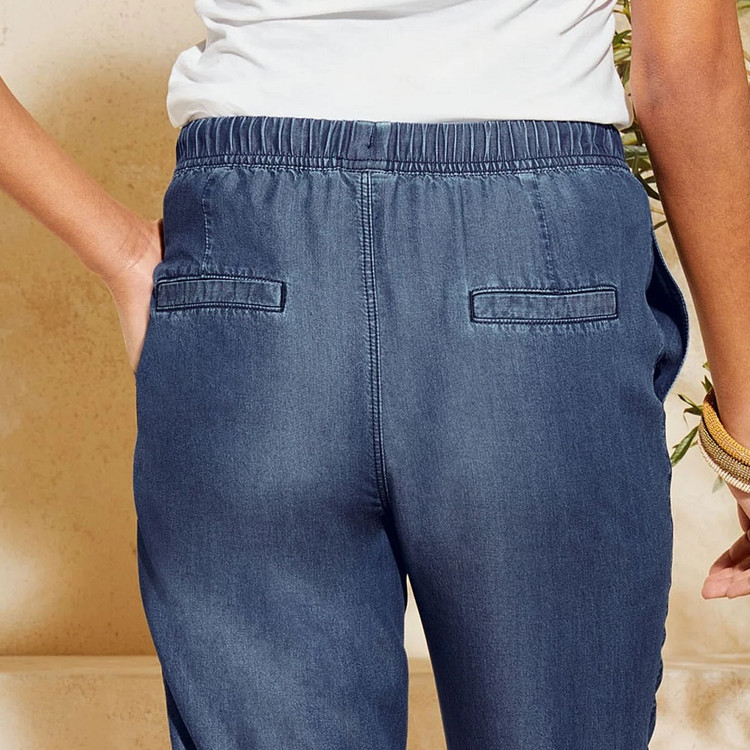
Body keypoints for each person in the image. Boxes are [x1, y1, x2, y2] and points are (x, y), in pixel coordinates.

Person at [3, 0, 750, 747]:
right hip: (532, 271)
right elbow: (686, 74)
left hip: (250, 271)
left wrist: (126, 255)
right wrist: (743, 432)